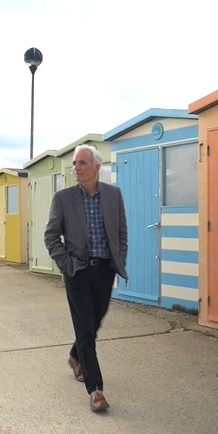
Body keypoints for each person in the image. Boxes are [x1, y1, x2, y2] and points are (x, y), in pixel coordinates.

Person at [44, 143, 128, 412]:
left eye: (82, 163)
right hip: (77, 272)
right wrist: (67, 263)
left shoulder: (113, 195)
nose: (76, 168)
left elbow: (121, 233)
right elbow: (51, 236)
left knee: (95, 322)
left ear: (96, 167)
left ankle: (74, 356)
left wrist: (119, 260)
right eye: (74, 164)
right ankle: (95, 389)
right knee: (84, 328)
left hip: (104, 270)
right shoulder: (63, 198)